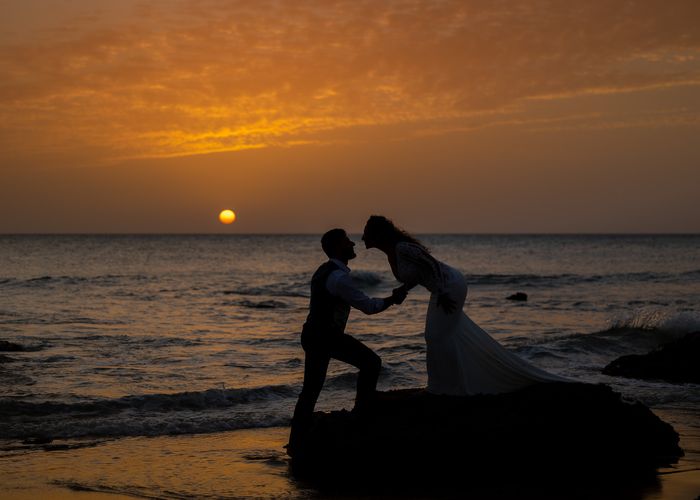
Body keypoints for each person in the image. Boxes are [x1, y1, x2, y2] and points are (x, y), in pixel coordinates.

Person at [361, 215, 568, 396]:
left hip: (450, 285)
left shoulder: (402, 247)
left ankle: (444, 387)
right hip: (441, 288)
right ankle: (448, 384)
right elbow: (420, 273)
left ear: (378, 234)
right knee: (441, 335)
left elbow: (432, 265)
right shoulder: (392, 252)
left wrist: (442, 293)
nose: (362, 237)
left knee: (436, 335)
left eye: (366, 232)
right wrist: (404, 289)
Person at [288, 228, 406, 455]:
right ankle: (362, 415)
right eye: (346, 242)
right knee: (371, 363)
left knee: (310, 390)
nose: (352, 244)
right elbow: (368, 306)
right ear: (336, 248)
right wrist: (393, 299)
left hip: (313, 334)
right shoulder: (338, 278)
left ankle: (296, 442)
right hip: (326, 336)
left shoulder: (323, 271)